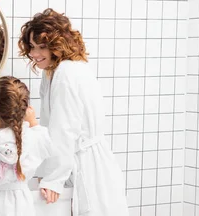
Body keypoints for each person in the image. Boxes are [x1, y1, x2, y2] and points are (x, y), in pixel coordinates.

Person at [18, 8, 130, 216]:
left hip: (89, 166)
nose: (34, 54)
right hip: (81, 161)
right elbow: (52, 128)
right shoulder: (53, 71)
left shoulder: (66, 73)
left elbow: (65, 129)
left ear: (56, 45)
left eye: (41, 47)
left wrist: (53, 179)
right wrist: (45, 172)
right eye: (32, 47)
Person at [0, 76, 73, 216]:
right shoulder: (34, 137)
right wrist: (33, 122)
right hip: (25, 206)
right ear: (24, 108)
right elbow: (48, 144)